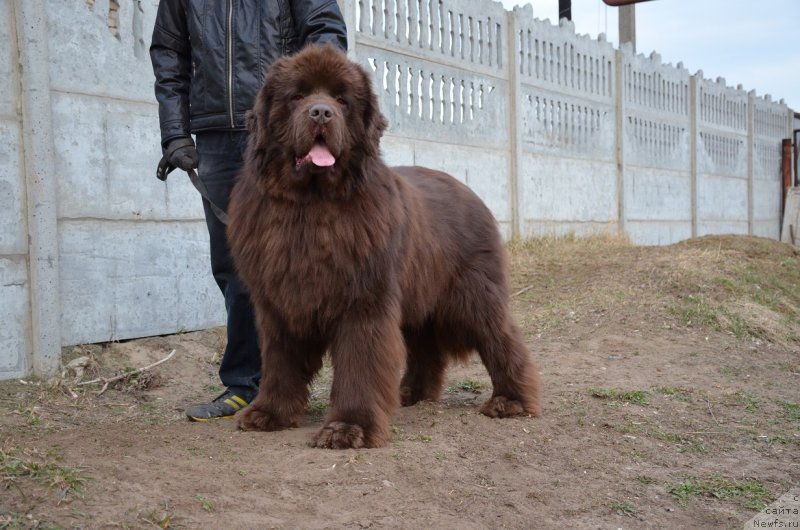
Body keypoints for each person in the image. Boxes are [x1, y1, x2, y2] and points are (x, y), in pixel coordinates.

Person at [149, 0, 348, 421]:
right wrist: (175, 133)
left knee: (311, 259)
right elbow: (169, 54)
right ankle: (246, 384)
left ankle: (335, 381)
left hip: (281, 127)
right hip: (216, 134)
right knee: (234, 263)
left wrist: (303, 101)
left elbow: (326, 32)